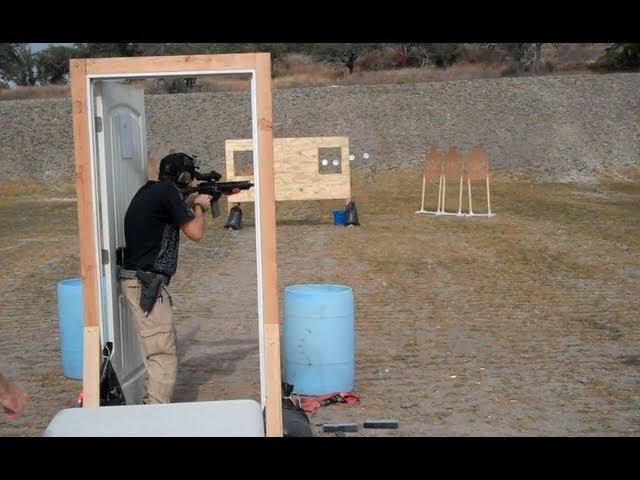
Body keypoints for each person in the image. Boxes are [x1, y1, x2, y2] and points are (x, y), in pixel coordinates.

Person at [120, 152, 238, 404]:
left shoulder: (153, 191)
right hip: (146, 282)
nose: (194, 182)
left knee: (159, 346)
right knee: (162, 352)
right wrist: (199, 206)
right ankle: (155, 414)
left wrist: (213, 192)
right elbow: (195, 232)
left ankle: (152, 405)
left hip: (142, 281)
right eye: (191, 178)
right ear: (183, 177)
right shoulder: (167, 194)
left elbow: (177, 202)